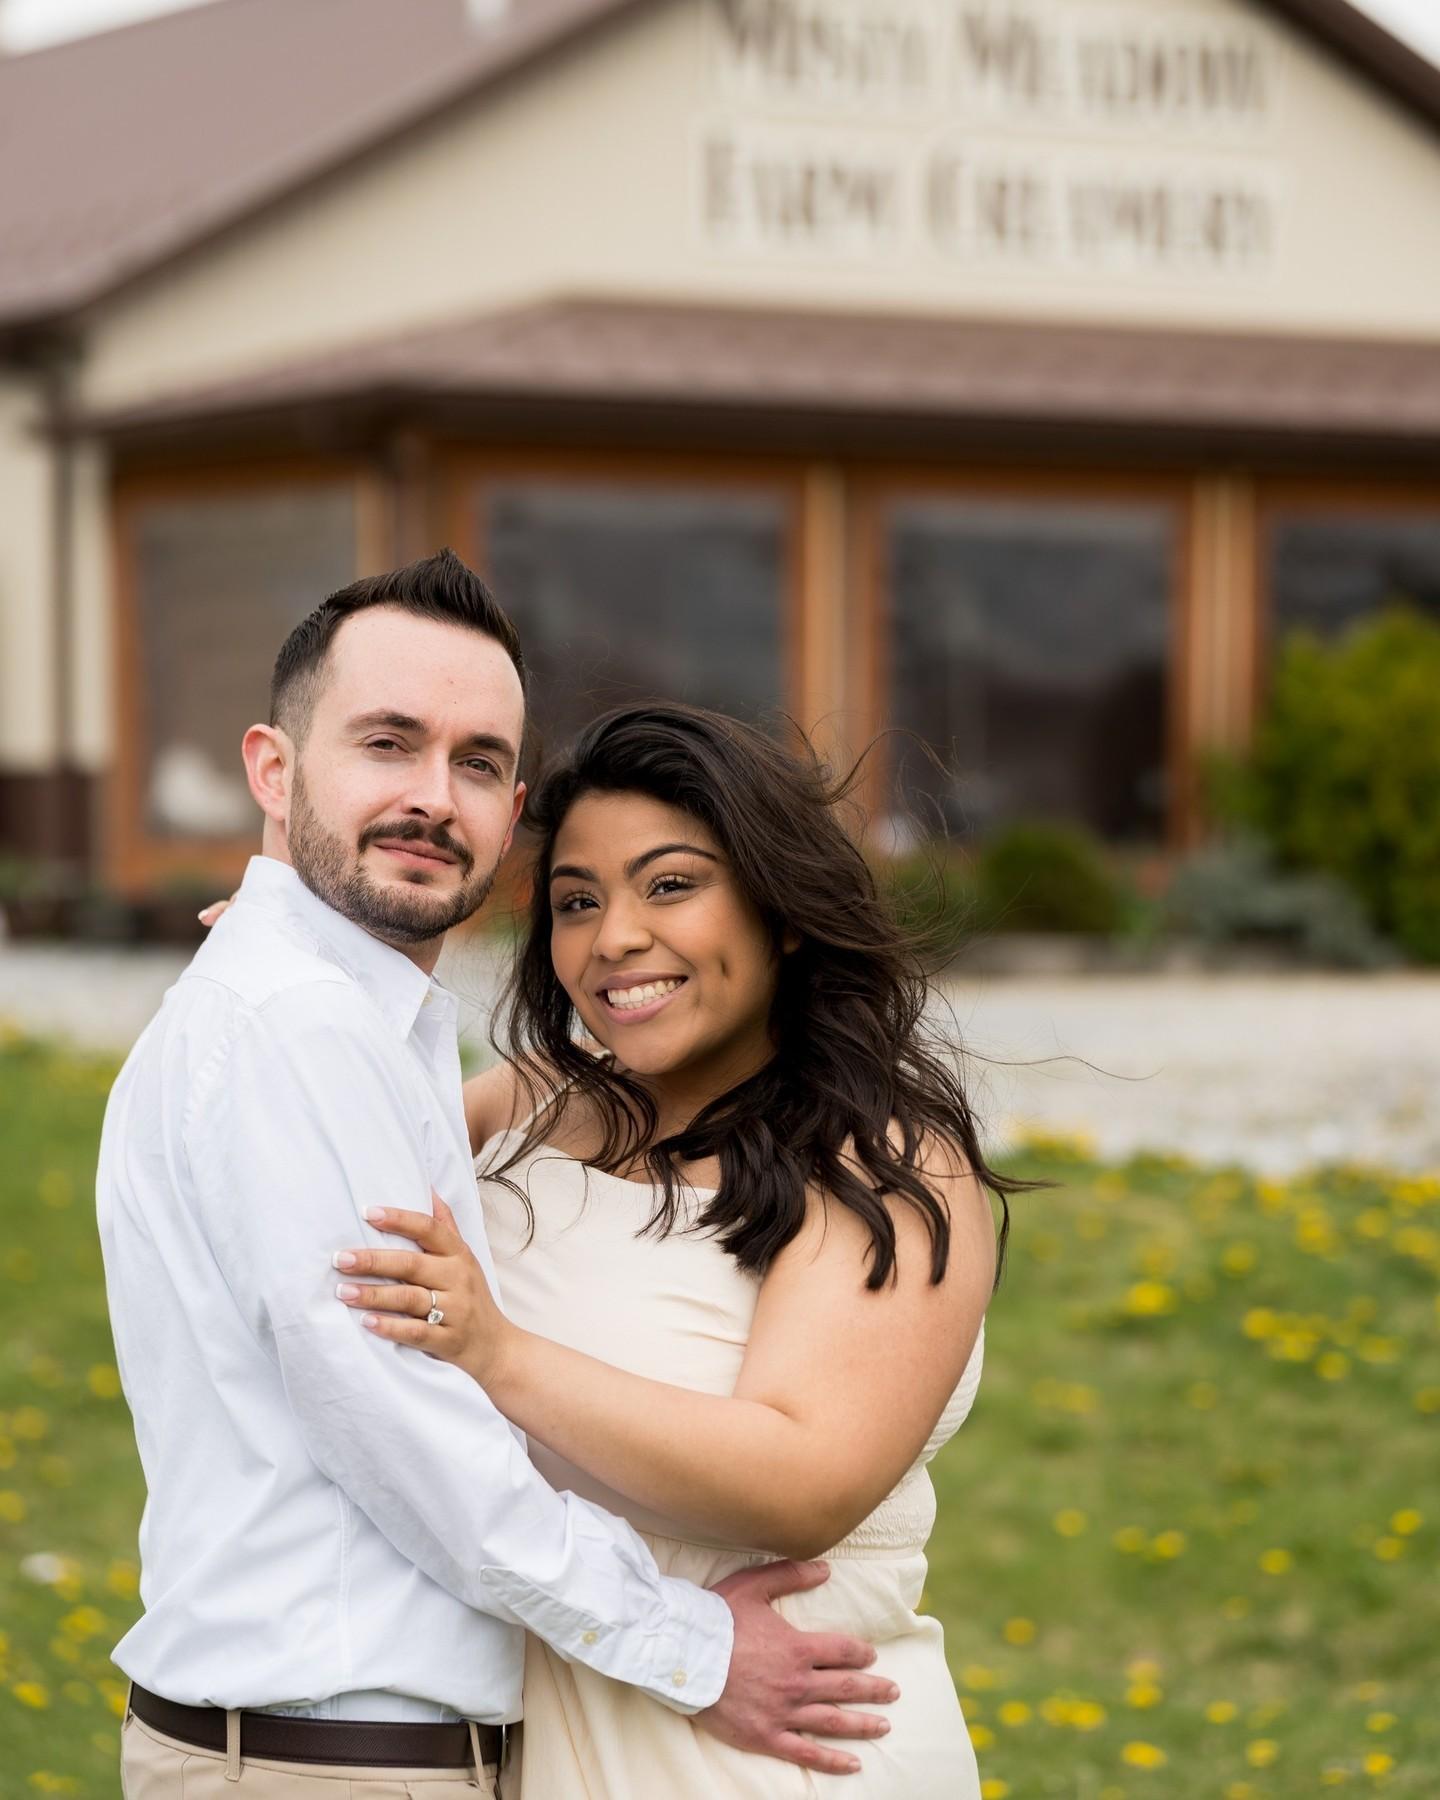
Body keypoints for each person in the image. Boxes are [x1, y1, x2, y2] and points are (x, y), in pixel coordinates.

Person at [96, 552, 897, 1799]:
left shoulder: (346, 1026)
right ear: (273, 767)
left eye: (476, 764)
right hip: (334, 1763)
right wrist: (693, 1649)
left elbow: (576, 1094)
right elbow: (412, 1440)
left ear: (509, 808)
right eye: (388, 743)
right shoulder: (296, 1028)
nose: (433, 797)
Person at [327, 700, 1018, 1795]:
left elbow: (805, 1480)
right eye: (576, 901)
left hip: (782, 1747)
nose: (614, 940)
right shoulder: (536, 1107)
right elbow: (330, 1170)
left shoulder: (886, 1161)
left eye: (671, 884)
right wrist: (295, 970)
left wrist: (498, 1353)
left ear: (779, 911)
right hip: (553, 1716)